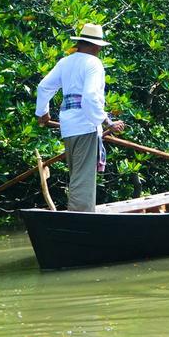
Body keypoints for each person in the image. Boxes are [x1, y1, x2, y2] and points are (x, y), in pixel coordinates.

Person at [35, 23, 125, 211]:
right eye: (99, 46)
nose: (100, 49)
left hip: (68, 126)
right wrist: (108, 122)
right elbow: (90, 97)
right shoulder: (94, 63)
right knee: (83, 178)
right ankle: (80, 218)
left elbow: (43, 87)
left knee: (77, 174)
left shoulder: (65, 62)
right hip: (85, 126)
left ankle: (77, 214)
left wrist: (42, 113)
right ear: (95, 45)